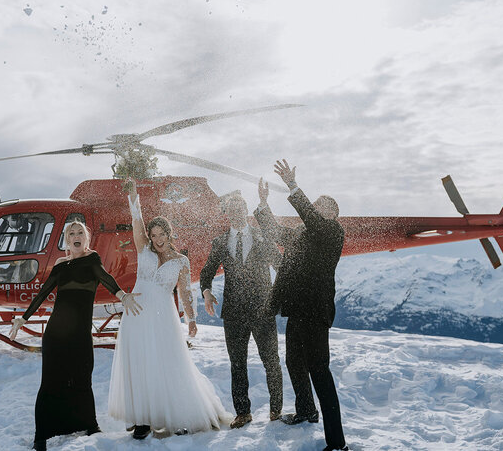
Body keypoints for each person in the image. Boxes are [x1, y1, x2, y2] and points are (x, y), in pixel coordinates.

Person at [108, 179, 232, 439]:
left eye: (161, 234)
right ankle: (141, 419)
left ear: (169, 233)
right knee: (140, 363)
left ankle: (167, 415)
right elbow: (136, 223)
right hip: (137, 315)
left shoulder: (181, 261)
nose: (157, 239)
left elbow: (185, 292)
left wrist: (192, 319)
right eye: (153, 236)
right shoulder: (144, 250)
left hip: (163, 316)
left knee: (165, 363)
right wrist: (134, 198)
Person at [9, 221, 142, 451]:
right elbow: (43, 293)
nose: (76, 235)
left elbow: (106, 277)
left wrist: (122, 296)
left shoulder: (92, 260)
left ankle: (89, 425)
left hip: (80, 333)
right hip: (55, 334)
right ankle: (41, 436)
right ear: (67, 239)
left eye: (80, 232)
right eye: (72, 233)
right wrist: (24, 318)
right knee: (50, 382)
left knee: (82, 379)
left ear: (86, 238)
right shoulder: (60, 265)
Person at [254, 160, 348, 451]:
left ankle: (337, 443)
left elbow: (311, 216)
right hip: (296, 310)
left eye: (322, 206)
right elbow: (275, 231)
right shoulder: (301, 235)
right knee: (294, 362)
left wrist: (294, 186)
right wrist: (263, 204)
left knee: (320, 370)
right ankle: (307, 410)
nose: (316, 208)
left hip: (316, 312)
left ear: (332, 214)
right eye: (316, 204)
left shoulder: (333, 232)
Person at [200, 191, 283, 429]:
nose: (236, 213)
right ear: (227, 214)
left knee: (271, 361)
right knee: (237, 363)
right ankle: (243, 412)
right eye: (232, 210)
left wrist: (279, 296)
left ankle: (276, 409)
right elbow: (206, 273)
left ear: (246, 211)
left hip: (263, 310)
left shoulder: (263, 236)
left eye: (240, 209)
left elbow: (280, 266)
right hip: (234, 313)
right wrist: (206, 292)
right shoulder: (220, 241)